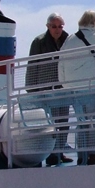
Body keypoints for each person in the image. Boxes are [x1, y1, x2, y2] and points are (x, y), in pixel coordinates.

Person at [59, 10, 95, 165]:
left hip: (73, 88)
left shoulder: (70, 39)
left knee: (81, 121)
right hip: (91, 86)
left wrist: (65, 84)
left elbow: (60, 62)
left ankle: (81, 155)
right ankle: (92, 154)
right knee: (94, 120)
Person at [27, 13, 72, 166]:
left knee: (63, 122)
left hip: (62, 87)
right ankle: (48, 154)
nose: (57, 30)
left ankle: (59, 152)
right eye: (54, 26)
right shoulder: (39, 42)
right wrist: (31, 88)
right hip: (44, 88)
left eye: (60, 26)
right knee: (48, 123)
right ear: (48, 27)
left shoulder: (68, 40)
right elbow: (32, 65)